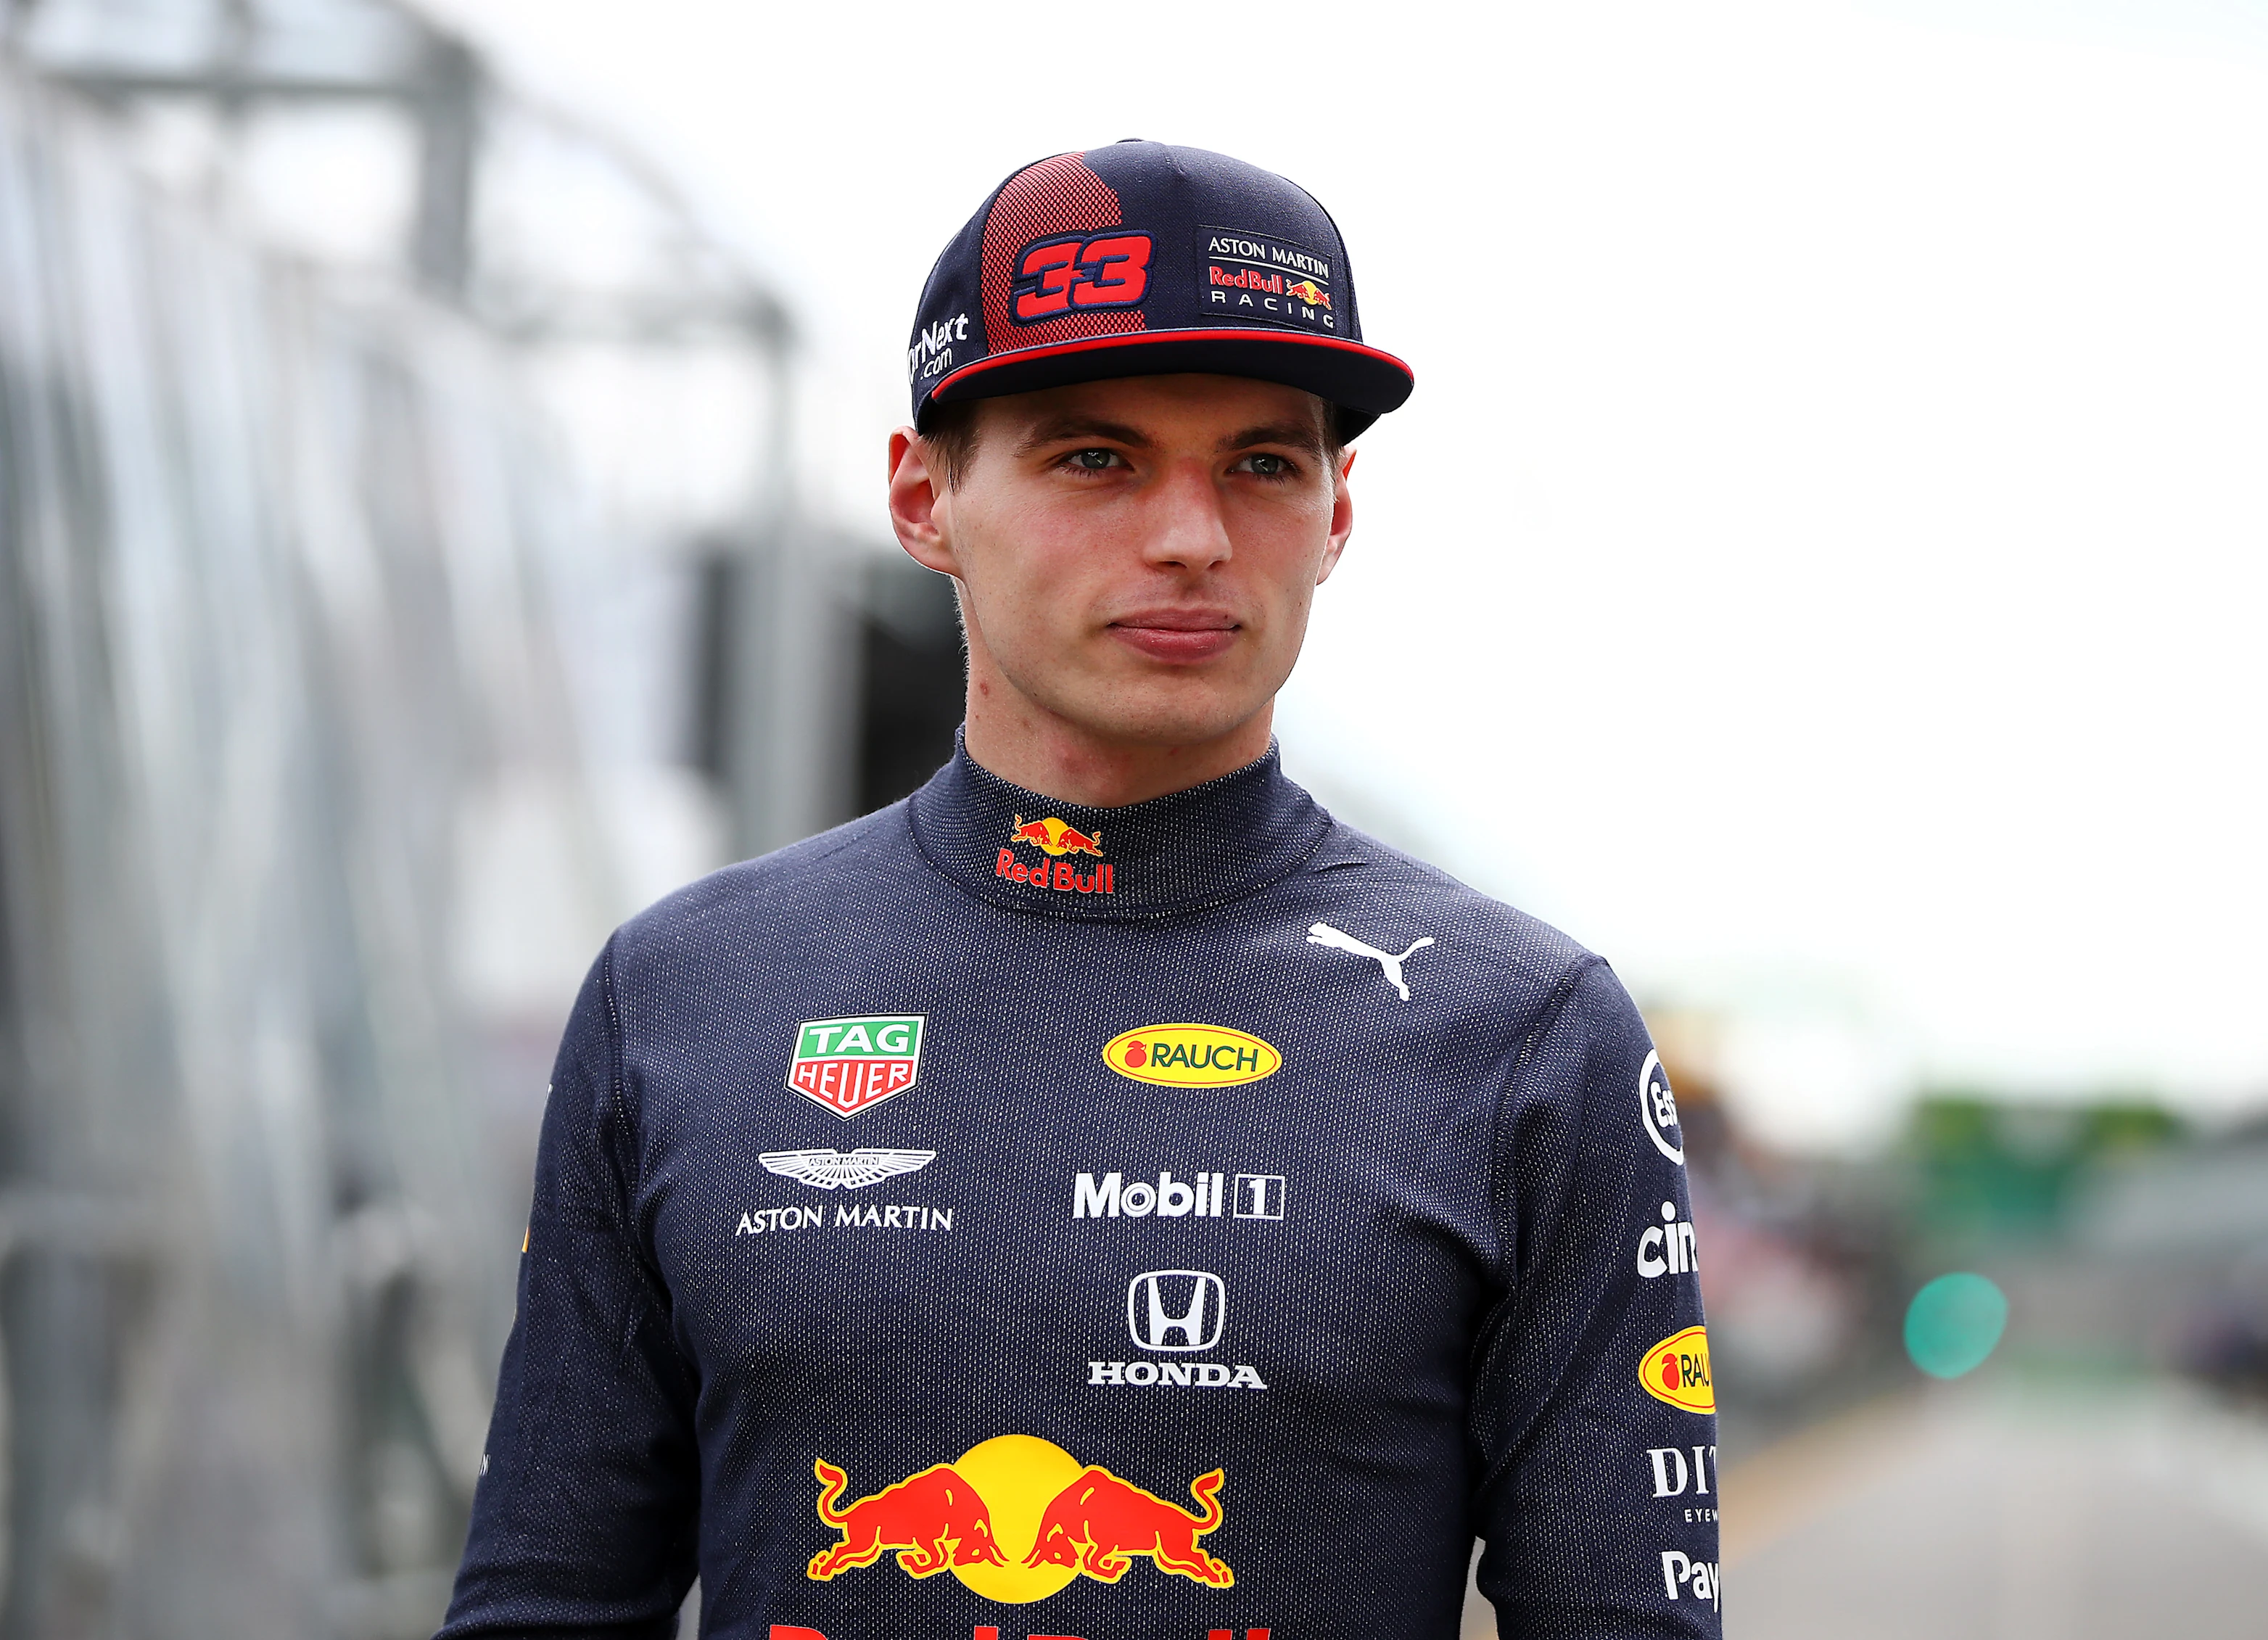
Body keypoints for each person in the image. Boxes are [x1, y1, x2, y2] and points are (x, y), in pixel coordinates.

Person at [437, 140, 1718, 1640]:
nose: (1189, 537)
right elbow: (547, 1593)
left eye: (1261, 463)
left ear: (1337, 515)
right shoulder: (678, 989)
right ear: (923, 499)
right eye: (1093, 457)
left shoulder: (1522, 1027)